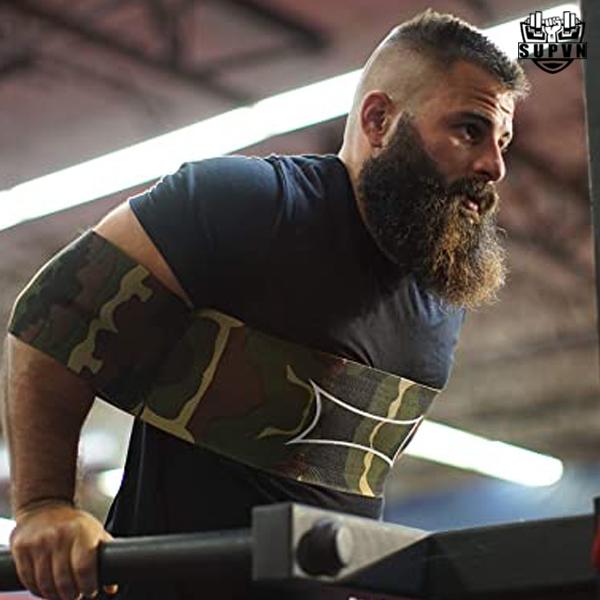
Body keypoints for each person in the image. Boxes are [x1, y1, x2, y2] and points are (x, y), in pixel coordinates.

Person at [3, 10, 528, 600]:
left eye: (502, 142)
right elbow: (54, 316)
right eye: (469, 130)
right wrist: (44, 505)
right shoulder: (252, 205)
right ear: (379, 120)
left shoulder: (440, 299)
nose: (494, 165)